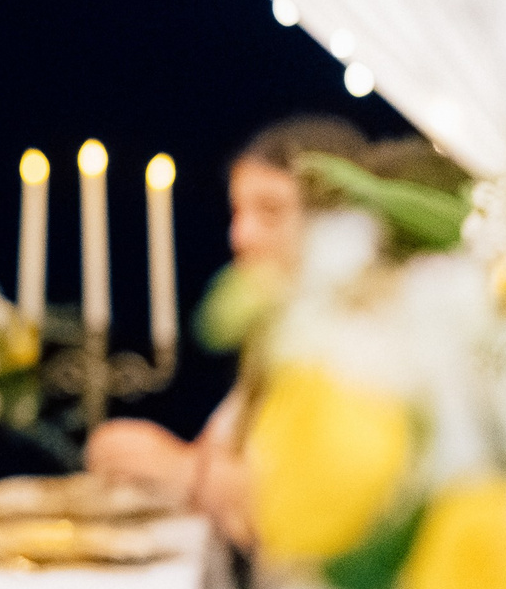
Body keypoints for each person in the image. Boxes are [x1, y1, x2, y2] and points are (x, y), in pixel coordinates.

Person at [85, 114, 370, 546]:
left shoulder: (368, 348)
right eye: (238, 211)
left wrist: (182, 471)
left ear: (338, 221)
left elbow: (339, 509)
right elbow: (215, 456)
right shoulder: (277, 339)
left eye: (270, 211)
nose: (241, 235)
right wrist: (142, 457)